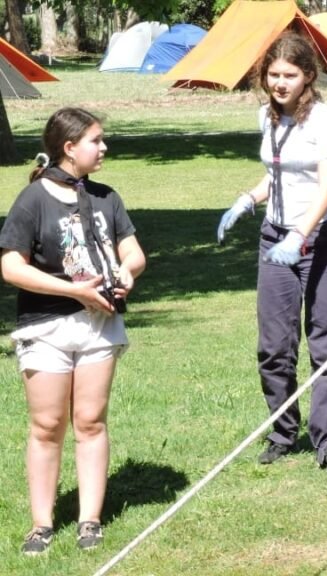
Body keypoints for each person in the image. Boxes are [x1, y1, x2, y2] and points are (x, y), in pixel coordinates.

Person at [0, 107, 146, 555]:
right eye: (96, 140)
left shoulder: (106, 197)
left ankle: (90, 520)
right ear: (69, 148)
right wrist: (72, 291)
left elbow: (134, 253)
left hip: (99, 326)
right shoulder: (33, 200)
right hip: (46, 327)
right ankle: (42, 524)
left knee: (89, 421)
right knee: (47, 425)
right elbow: (10, 267)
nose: (104, 148)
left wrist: (126, 272)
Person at [216, 32, 327, 474]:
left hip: (321, 241)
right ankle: (282, 430)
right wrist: (246, 200)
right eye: (273, 74)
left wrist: (301, 236)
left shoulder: (324, 121)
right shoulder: (267, 117)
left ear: (308, 77)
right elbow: (274, 178)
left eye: (289, 75)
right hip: (274, 238)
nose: (279, 82)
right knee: (274, 346)